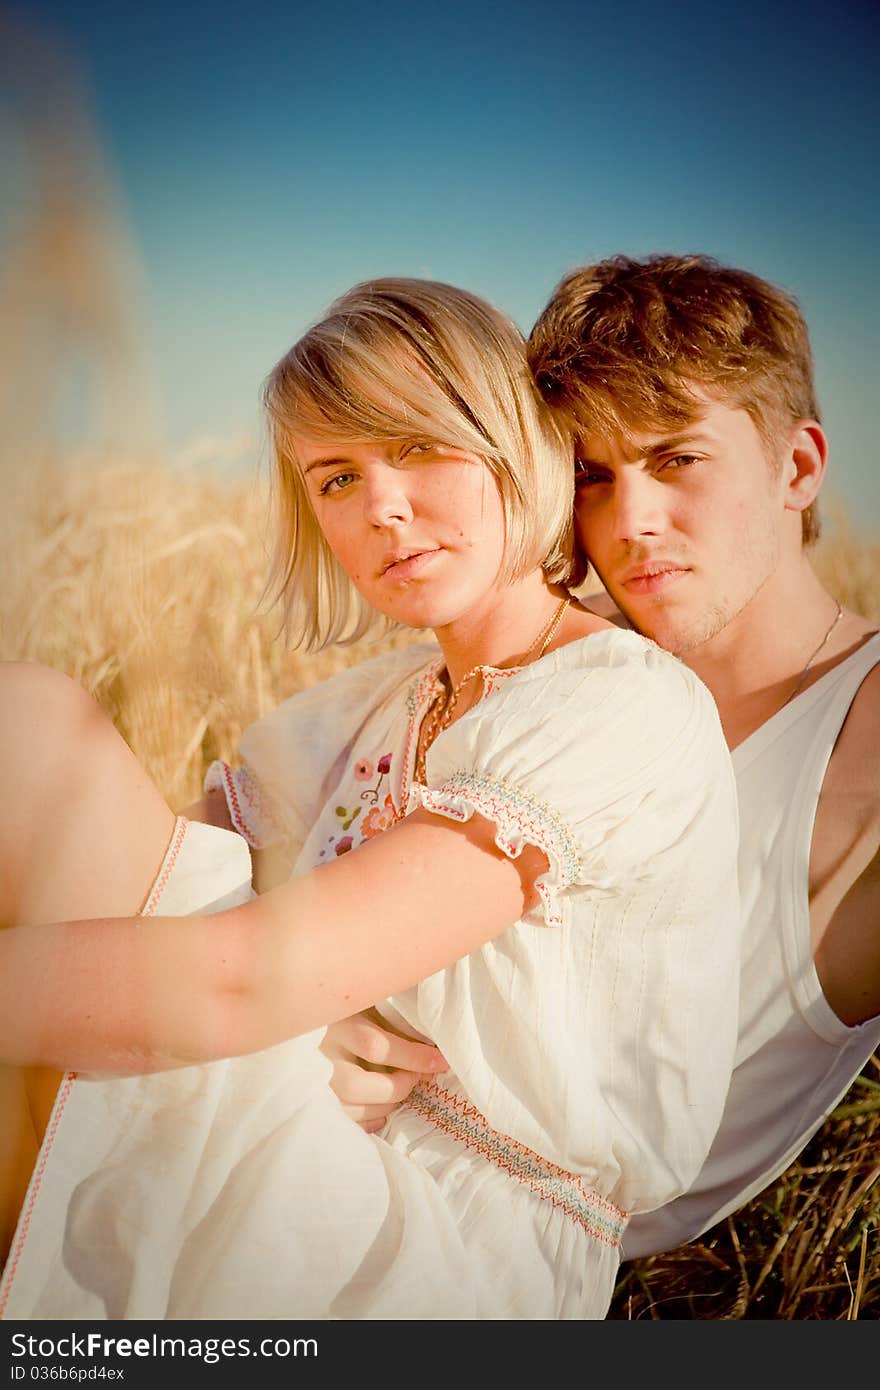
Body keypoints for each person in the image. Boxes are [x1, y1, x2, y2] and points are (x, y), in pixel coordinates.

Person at [0, 277, 740, 1320]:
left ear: (511, 446)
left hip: (447, 1252)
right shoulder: (361, 710)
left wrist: (284, 1009)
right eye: (337, 477)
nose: (382, 507)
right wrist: (307, 1028)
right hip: (306, 1129)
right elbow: (138, 901)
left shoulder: (619, 706)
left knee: (28, 733)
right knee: (31, 740)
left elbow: (237, 981)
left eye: (418, 446)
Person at [325, 253, 880, 1263]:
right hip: (326, 1164)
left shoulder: (863, 734)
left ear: (797, 467)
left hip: (487, 1258)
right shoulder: (532, 675)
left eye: (675, 459)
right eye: (590, 476)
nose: (629, 524)